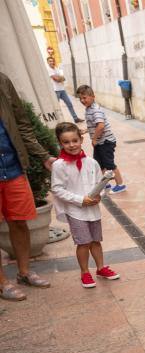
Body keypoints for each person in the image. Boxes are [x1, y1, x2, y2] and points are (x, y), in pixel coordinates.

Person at [0, 71, 55, 300]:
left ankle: (23, 272)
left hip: (12, 166)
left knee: (19, 221)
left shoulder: (2, 80)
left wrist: (43, 155)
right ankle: (2, 283)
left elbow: (22, 122)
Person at [50, 122, 120, 288]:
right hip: (75, 211)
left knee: (96, 241)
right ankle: (85, 272)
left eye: (75, 140)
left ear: (81, 140)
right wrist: (80, 200)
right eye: (66, 142)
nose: (72, 145)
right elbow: (57, 189)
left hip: (93, 210)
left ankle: (101, 268)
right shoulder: (59, 165)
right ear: (60, 143)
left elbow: (100, 182)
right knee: (83, 243)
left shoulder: (92, 162)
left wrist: (99, 196)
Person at [77, 85, 126, 194]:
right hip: (100, 142)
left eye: (84, 97)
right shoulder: (89, 109)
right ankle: (104, 183)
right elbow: (95, 125)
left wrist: (94, 139)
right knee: (99, 164)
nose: (82, 100)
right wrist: (86, 131)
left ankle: (120, 185)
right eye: (80, 98)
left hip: (106, 142)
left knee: (109, 164)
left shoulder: (95, 110)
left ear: (93, 97)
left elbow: (100, 126)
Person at [46, 56, 82, 123]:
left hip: (62, 89)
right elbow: (56, 79)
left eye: (52, 61)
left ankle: (75, 118)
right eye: (50, 61)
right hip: (55, 90)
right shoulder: (48, 69)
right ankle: (59, 121)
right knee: (56, 106)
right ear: (47, 62)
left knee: (69, 103)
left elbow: (63, 78)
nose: (52, 62)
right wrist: (60, 78)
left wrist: (60, 78)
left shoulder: (56, 68)